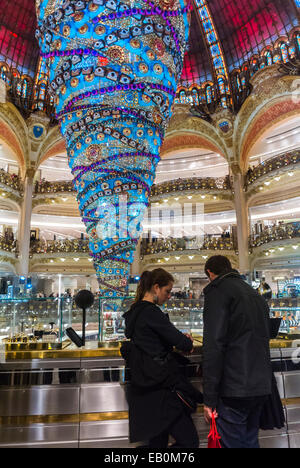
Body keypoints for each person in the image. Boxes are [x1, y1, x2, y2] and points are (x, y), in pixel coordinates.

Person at [123, 268, 201, 448]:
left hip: (147, 389)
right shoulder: (152, 313)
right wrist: (184, 340)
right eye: (167, 291)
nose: (169, 296)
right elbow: (183, 344)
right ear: (156, 288)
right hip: (163, 390)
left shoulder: (134, 312)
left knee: (157, 443)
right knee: (189, 443)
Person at [202, 255, 272, 449]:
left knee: (233, 442)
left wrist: (209, 398)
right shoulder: (253, 293)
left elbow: (214, 346)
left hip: (234, 387)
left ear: (210, 273)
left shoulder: (218, 292)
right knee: (250, 441)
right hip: (260, 385)